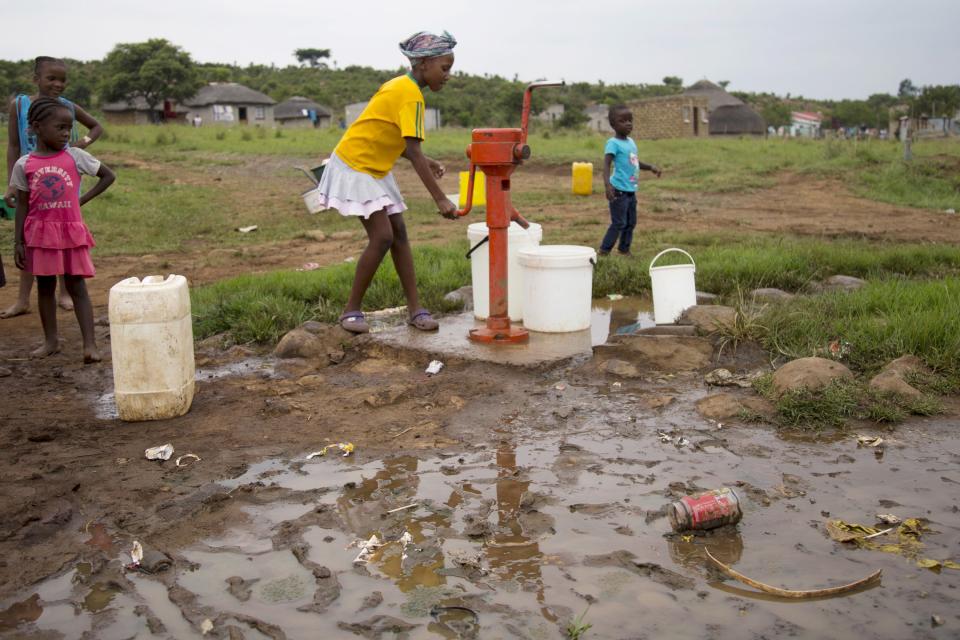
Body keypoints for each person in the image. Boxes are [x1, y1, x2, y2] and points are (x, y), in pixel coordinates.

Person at [315, 31, 458, 333]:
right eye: (444, 68)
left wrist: (427, 160)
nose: (448, 75)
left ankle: (416, 309)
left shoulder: (403, 87)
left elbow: (397, 140)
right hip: (356, 166)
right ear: (423, 64)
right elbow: (415, 153)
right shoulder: (409, 95)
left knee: (400, 234)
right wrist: (441, 199)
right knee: (382, 237)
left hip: (375, 168)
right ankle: (351, 310)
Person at [10, 97, 115, 362]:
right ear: (36, 127)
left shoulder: (75, 156)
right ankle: (51, 341)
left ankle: (89, 345)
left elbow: (108, 176)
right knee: (44, 287)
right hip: (40, 234)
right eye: (60, 127)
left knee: (76, 286)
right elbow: (22, 205)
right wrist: (18, 242)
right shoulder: (25, 164)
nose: (67, 133)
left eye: (69, 128)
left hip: (70, 232)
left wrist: (81, 200)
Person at [3, 56, 104, 318]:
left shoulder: (68, 107)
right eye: (51, 79)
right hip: (29, 179)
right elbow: (13, 146)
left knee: (62, 235)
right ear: (36, 79)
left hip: (61, 179)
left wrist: (80, 144)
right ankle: (23, 299)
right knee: (32, 236)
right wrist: (11, 185)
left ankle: (65, 293)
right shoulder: (20, 105)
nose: (58, 84)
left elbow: (96, 126)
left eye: (62, 80)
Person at [599, 105, 661, 257]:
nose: (628, 123)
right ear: (613, 124)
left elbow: (635, 162)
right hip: (618, 190)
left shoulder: (631, 142)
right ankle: (604, 251)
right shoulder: (613, 143)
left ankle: (624, 250)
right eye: (623, 121)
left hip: (630, 191)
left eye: (630, 120)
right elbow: (606, 164)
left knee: (631, 223)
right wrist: (608, 186)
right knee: (619, 223)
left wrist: (651, 167)